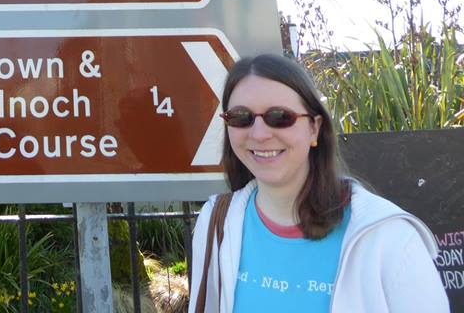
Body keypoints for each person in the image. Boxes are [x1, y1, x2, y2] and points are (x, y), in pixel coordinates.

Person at [188, 53, 448, 313]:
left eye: (279, 116)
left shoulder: (388, 237)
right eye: (240, 117)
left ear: (314, 127)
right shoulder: (215, 224)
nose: (259, 134)